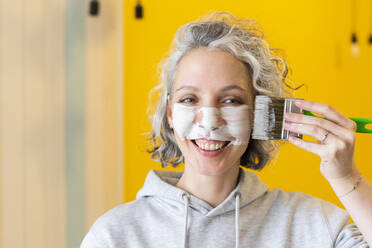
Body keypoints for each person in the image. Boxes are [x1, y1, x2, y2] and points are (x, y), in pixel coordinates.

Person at [81, 11, 372, 247]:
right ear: (170, 113)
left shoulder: (312, 224)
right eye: (189, 99)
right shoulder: (115, 236)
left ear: (257, 115)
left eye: (231, 100)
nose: (209, 122)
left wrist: (347, 178)